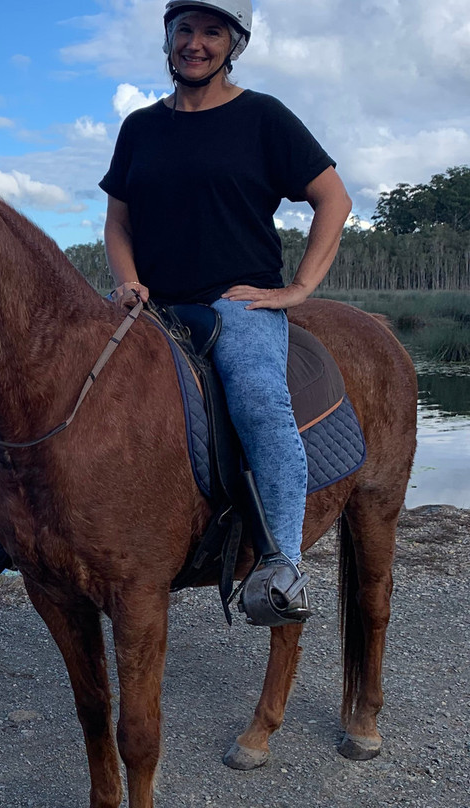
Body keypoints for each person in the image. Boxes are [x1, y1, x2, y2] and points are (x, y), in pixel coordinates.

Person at [100, 0, 352, 625]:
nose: (196, 43)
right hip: (156, 306)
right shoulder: (140, 128)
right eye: (185, 29)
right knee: (79, 384)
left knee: (261, 402)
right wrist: (129, 282)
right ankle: (39, 526)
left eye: (213, 32)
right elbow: (118, 221)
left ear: (234, 44)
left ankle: (281, 565)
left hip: (237, 305)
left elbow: (334, 200)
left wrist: (295, 291)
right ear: (168, 38)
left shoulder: (262, 117)